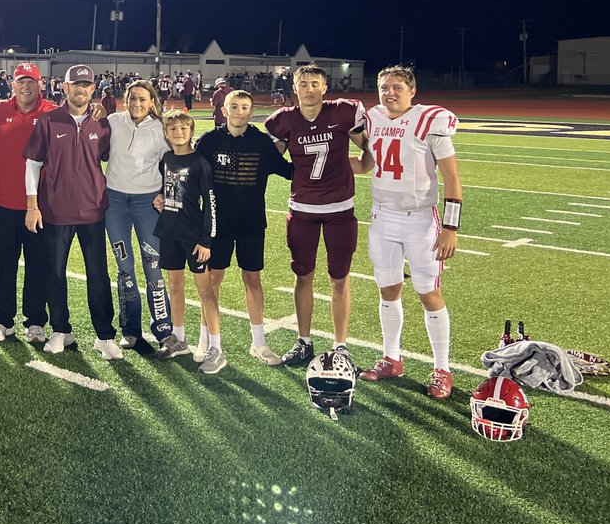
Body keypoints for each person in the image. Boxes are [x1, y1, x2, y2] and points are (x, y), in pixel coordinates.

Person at [351, 66, 463, 400]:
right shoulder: (373, 118)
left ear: (412, 90)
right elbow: (367, 164)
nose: (390, 92)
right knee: (388, 290)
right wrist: (326, 162)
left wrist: (450, 228)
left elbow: (453, 179)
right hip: (383, 218)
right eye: (384, 87)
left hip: (420, 221)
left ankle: (442, 368)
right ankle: (392, 358)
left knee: (428, 292)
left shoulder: (430, 121)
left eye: (397, 87)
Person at [264, 65, 368, 368]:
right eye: (303, 83)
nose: (309, 89)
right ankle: (304, 340)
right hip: (302, 211)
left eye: (314, 84)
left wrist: (359, 167)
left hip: (340, 210)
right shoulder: (283, 121)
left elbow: (369, 152)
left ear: (324, 87)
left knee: (339, 278)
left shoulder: (343, 113)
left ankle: (340, 344)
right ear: (294, 88)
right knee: (303, 276)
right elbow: (274, 161)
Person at [25, 64, 118, 359]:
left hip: (93, 210)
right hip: (55, 211)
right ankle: (61, 330)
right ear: (64, 88)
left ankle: (104, 335)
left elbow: (111, 159)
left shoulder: (103, 123)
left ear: (93, 88)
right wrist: (32, 205)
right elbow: (32, 164)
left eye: (86, 84)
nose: (81, 89)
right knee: (54, 273)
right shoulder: (48, 121)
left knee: (98, 275)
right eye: (75, 84)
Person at [194, 89, 292, 365]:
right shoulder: (209, 141)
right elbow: (191, 173)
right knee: (213, 280)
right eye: (234, 107)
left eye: (245, 107)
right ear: (225, 111)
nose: (239, 112)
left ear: (251, 111)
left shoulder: (261, 142)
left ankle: (259, 343)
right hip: (217, 224)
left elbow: (287, 171)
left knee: (252, 279)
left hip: (251, 222)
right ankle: (205, 340)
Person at [0, 63, 57, 343]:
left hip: (39, 206)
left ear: (40, 85)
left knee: (37, 265)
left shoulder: (53, 112)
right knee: (4, 264)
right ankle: (2, 321)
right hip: (3, 202)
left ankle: (35, 322)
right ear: (12, 84)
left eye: (31, 82)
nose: (26, 87)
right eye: (21, 81)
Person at [104, 79, 172, 351]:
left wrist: (166, 193)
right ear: (125, 99)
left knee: (153, 266)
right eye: (133, 98)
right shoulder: (112, 121)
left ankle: (163, 329)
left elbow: (173, 163)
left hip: (147, 203)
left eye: (143, 99)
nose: (137, 104)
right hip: (115, 202)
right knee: (125, 268)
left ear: (152, 102)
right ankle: (131, 330)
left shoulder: (160, 129)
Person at [152, 110, 221, 373]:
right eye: (173, 130)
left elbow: (210, 204)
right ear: (166, 134)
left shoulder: (200, 163)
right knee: (174, 286)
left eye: (183, 129)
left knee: (205, 291)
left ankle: (216, 347)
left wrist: (206, 240)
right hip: (169, 232)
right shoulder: (167, 158)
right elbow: (168, 187)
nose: (178, 133)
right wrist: (161, 196)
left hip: (193, 237)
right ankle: (179, 340)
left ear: (191, 132)